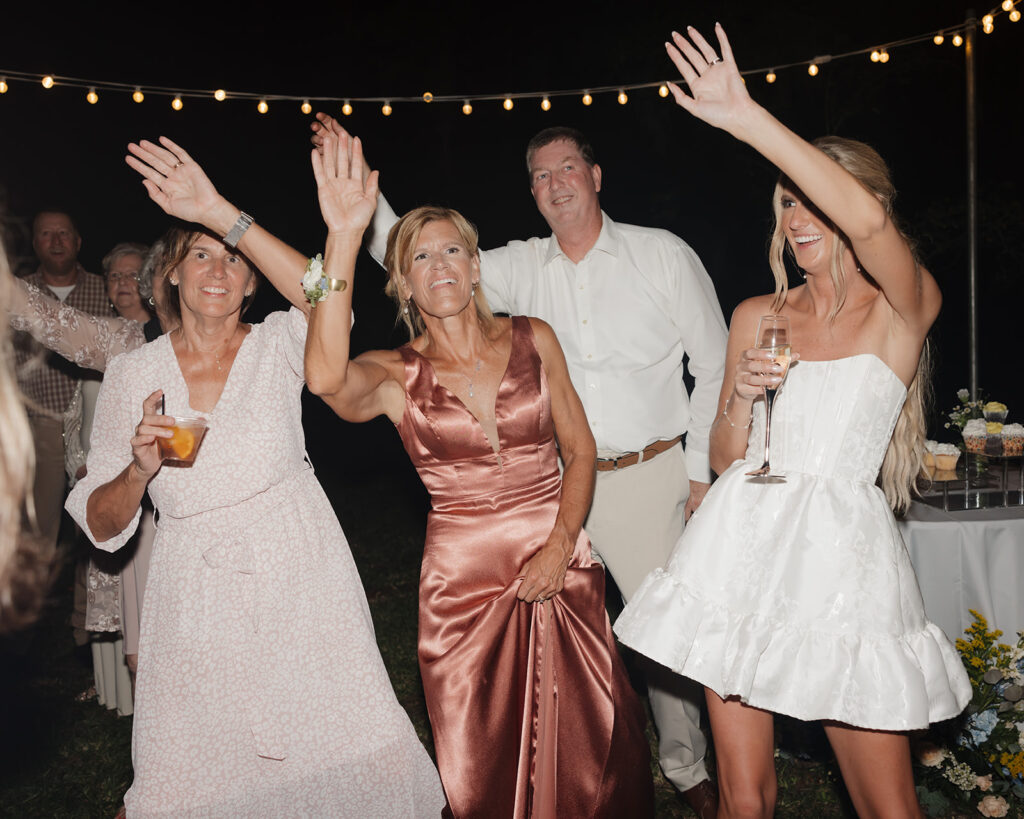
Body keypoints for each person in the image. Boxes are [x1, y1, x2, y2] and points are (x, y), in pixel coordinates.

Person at [312, 114, 727, 816]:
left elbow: (708, 367)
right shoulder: (439, 331)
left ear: (595, 176)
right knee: (482, 732)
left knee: (645, 673)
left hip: (630, 488)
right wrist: (346, 230)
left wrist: (692, 478)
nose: (555, 182)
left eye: (567, 167)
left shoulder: (655, 259)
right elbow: (340, 355)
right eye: (539, 174)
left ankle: (689, 767)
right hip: (475, 563)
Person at [614, 25, 971, 818]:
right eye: (784, 202)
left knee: (888, 806)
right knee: (745, 795)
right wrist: (740, 392)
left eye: (811, 198)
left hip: (842, 564)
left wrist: (749, 120)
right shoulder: (756, 314)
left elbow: (874, 231)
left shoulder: (902, 309)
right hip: (739, 554)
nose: (796, 217)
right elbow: (724, 452)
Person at [65, 137, 445, 818]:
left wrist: (219, 213)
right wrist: (138, 468)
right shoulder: (132, 374)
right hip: (194, 594)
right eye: (201, 254)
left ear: (252, 282)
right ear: (170, 277)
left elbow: (328, 298)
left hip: (300, 572)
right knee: (187, 774)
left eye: (235, 261)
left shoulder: (277, 342)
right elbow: (100, 521)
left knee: (346, 743)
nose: (220, 269)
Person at [13, 210, 113, 554]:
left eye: (64, 234)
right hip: (39, 427)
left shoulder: (109, 287)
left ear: (78, 241)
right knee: (36, 530)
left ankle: (83, 606)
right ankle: (31, 603)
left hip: (97, 428)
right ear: (34, 242)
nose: (56, 242)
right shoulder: (17, 292)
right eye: (46, 234)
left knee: (95, 532)